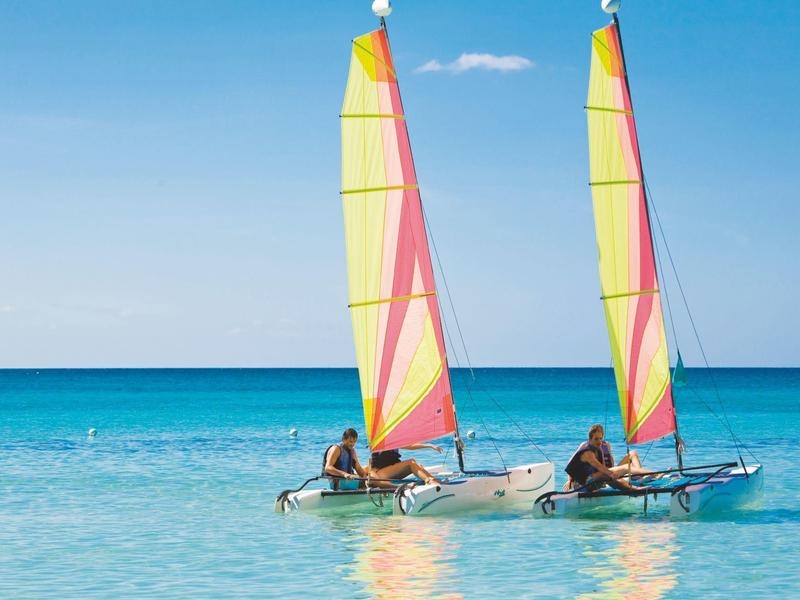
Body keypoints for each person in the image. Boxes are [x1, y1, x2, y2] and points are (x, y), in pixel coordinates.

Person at [564, 424, 650, 492]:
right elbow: (598, 467)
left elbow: (605, 465)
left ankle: (650, 475)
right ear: (590, 439)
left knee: (621, 469)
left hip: (595, 478)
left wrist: (611, 473)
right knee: (607, 474)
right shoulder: (587, 451)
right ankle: (633, 488)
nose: (599, 441)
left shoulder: (602, 447)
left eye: (600, 438)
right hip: (581, 485)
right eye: (596, 439)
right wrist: (569, 480)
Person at [369, 443, 444, 488]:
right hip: (379, 474)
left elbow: (411, 446)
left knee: (416, 464)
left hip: (389, 471)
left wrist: (429, 445)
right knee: (411, 463)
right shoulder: (380, 442)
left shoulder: (393, 441)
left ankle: (432, 479)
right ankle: (429, 481)